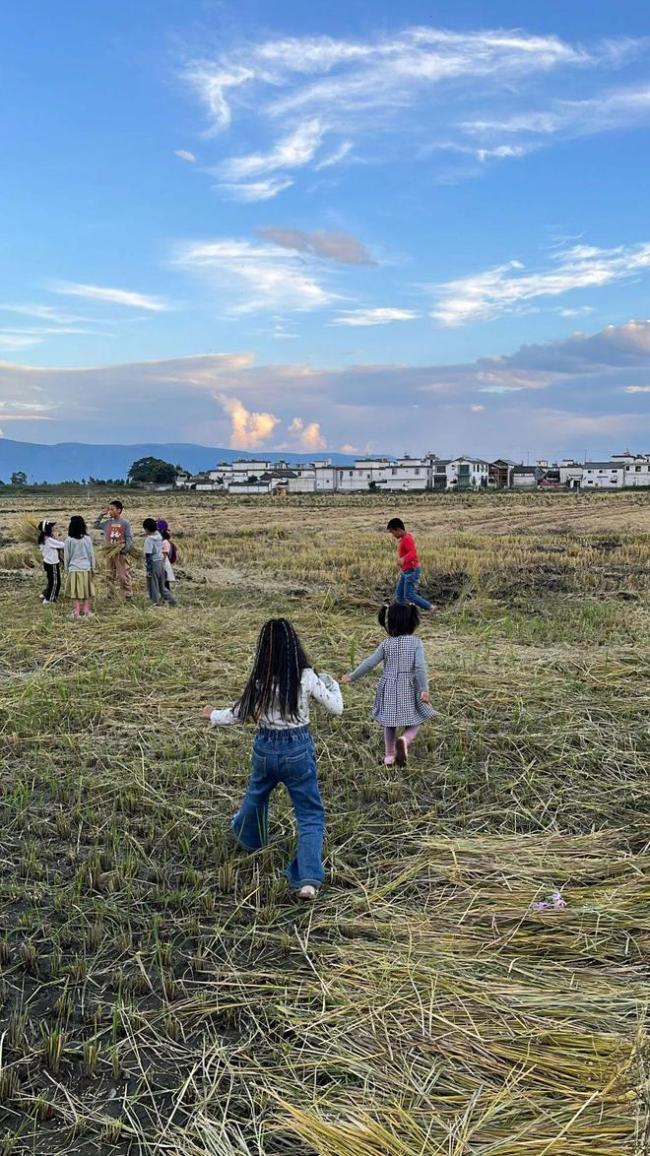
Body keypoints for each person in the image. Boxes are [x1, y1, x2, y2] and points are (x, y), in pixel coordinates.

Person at [202, 618, 343, 901]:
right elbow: (336, 708)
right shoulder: (306, 678)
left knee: (257, 795)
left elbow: (238, 713)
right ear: (294, 647)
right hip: (298, 750)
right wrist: (333, 684)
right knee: (309, 814)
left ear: (264, 649)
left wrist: (212, 715)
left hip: (265, 747)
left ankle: (249, 838)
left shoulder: (261, 680)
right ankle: (308, 880)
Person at [342, 602, 436, 767]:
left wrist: (352, 676)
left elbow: (370, 663)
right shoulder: (416, 643)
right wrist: (424, 689)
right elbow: (420, 666)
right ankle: (405, 740)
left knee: (389, 723)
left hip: (390, 687)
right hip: (409, 687)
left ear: (389, 623)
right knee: (416, 720)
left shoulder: (386, 644)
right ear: (412, 622)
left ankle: (389, 756)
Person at [386, 517, 433, 612]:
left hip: (412, 571)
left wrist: (403, 559)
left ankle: (430, 607)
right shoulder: (404, 538)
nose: (393, 535)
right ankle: (402, 613)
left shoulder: (407, 539)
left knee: (409, 595)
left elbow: (413, 553)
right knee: (399, 595)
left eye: (392, 532)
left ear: (398, 530)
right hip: (406, 571)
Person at [94, 500, 133, 599]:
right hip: (109, 552)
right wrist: (101, 515)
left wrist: (125, 550)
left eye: (112, 509)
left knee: (123, 575)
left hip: (120, 553)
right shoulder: (107, 523)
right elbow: (95, 525)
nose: (110, 511)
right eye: (109, 509)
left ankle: (127, 594)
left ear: (119, 510)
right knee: (109, 574)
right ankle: (110, 593)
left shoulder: (125, 523)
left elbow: (129, 538)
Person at [64, 516, 96, 619]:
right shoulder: (87, 539)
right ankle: (86, 611)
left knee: (75, 592)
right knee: (86, 591)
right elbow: (91, 554)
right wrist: (93, 567)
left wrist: (66, 569)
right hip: (86, 568)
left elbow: (67, 556)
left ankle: (76, 612)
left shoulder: (69, 540)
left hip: (74, 569)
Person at [143, 518, 177, 607]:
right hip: (161, 563)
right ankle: (172, 600)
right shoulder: (159, 536)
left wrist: (149, 569)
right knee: (162, 587)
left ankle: (155, 604)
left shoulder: (149, 540)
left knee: (152, 585)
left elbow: (148, 555)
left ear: (146, 529)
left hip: (153, 564)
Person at [38, 519, 65, 605]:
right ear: (48, 530)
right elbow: (62, 545)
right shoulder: (49, 540)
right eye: (52, 527)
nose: (54, 528)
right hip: (52, 563)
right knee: (56, 582)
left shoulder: (43, 539)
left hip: (47, 562)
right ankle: (49, 599)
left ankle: (45, 593)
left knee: (51, 580)